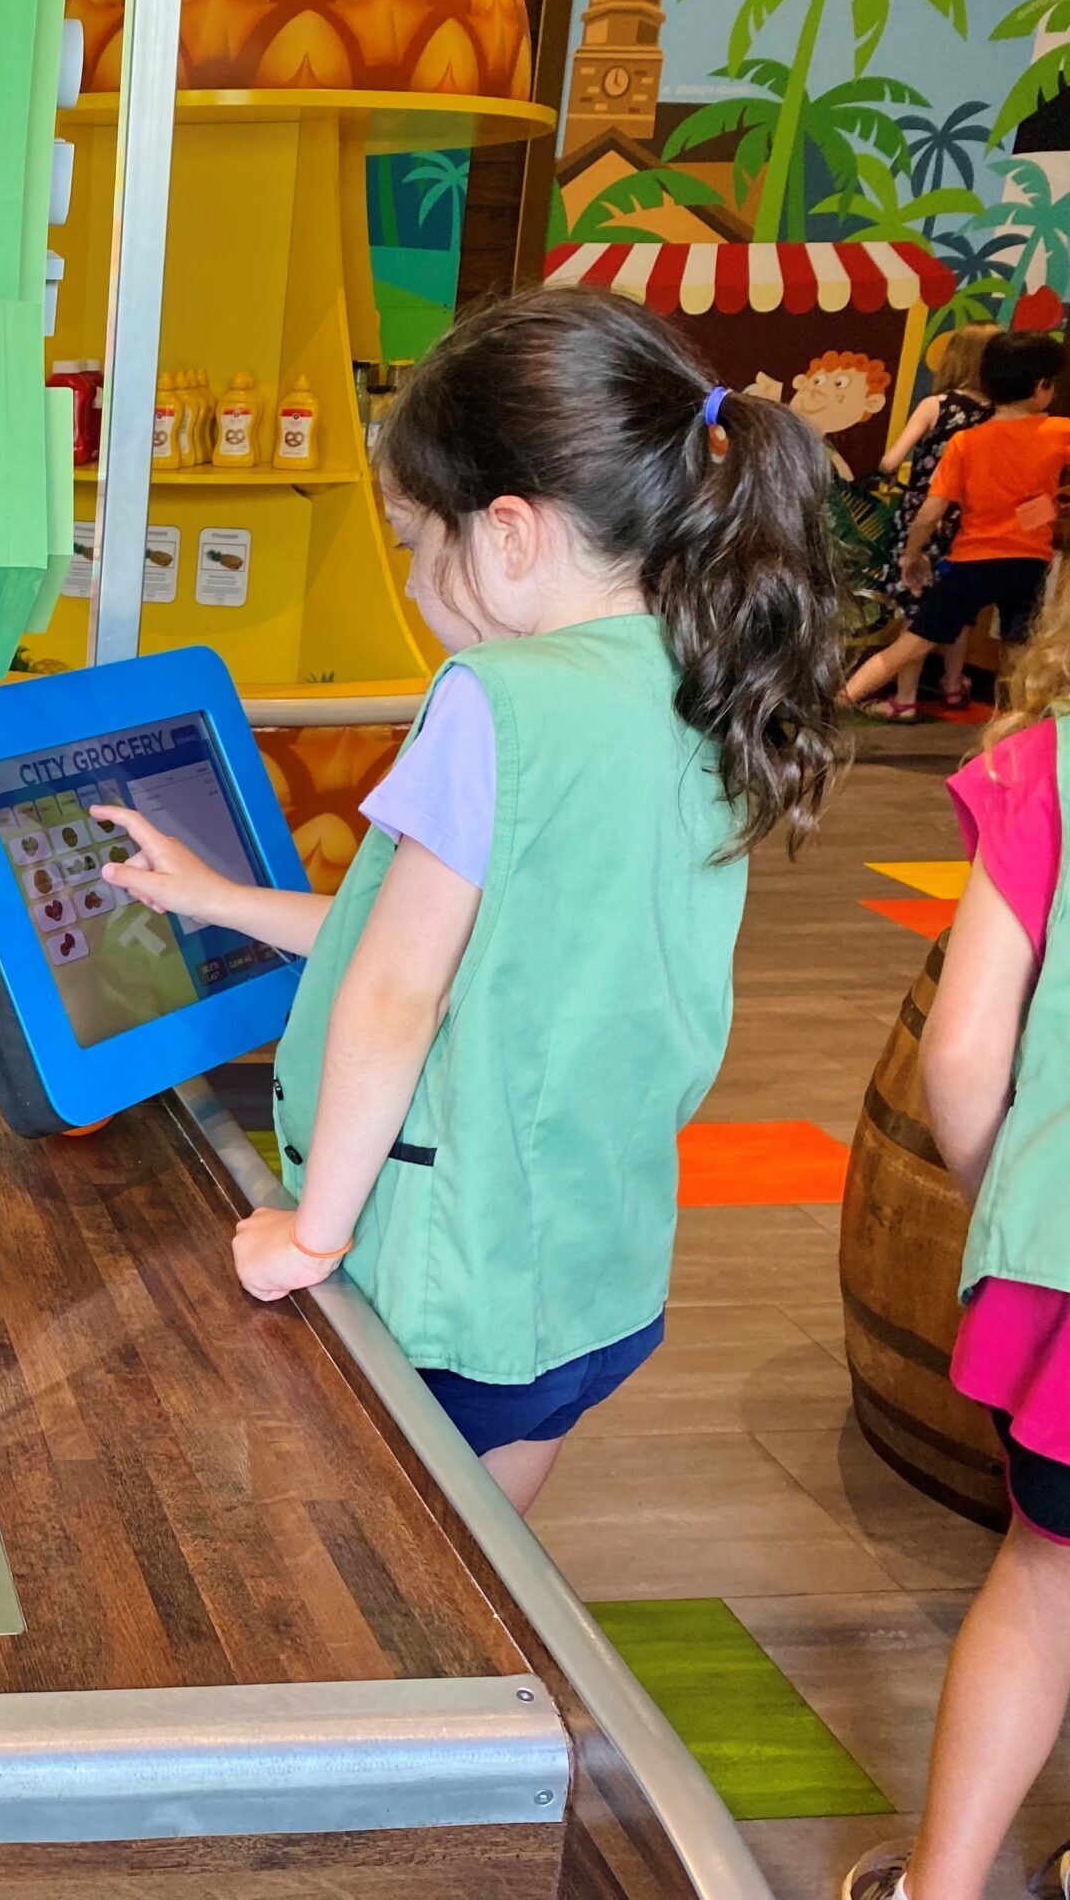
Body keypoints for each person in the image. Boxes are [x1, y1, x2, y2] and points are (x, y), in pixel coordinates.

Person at [92, 288, 846, 1512]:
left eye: (409, 539)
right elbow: (465, 950)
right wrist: (223, 899)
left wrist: (311, 1234)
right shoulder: (704, 678)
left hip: (445, 1277)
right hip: (590, 1277)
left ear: (507, 532)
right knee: (488, 1555)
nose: (407, 579)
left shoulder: (494, 698)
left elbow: (395, 995)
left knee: (372, 1555)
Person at [841, 590, 1070, 1900]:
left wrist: (1015, 1204)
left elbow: (965, 1056)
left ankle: (939, 1890)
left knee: (1043, 1586)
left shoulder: (1047, 771)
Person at [844, 331, 1069, 719]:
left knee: (910, 644)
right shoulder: (1059, 432)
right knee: (1020, 654)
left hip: (971, 562)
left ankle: (837, 702)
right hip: (1028, 563)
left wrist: (911, 555)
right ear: (1041, 388)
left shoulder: (966, 443)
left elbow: (930, 512)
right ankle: (1018, 729)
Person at [875, 325, 998, 712]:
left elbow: (891, 461)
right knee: (956, 608)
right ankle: (953, 686)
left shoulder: (936, 406)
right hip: (971, 520)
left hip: (926, 514)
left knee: (917, 606)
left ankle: (905, 698)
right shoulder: (998, 414)